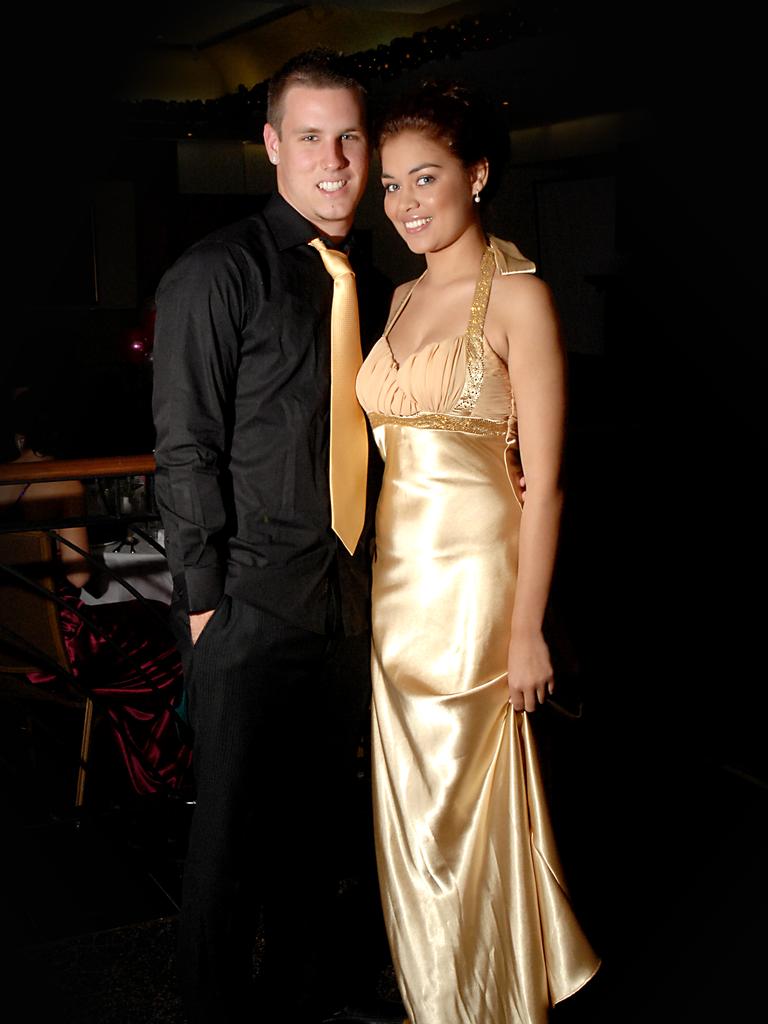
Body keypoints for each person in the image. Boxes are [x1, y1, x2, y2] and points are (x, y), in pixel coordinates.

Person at [151, 49, 396, 1024]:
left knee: (319, 839)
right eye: (309, 137)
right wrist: (204, 607)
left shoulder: (376, 282)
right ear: (270, 146)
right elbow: (185, 447)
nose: (332, 158)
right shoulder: (217, 272)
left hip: (350, 604)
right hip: (248, 608)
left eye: (348, 136)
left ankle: (299, 999)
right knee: (229, 852)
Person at [354, 81, 602, 1024]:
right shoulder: (401, 294)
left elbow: (547, 482)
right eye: (390, 185)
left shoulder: (522, 299)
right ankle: (437, 1004)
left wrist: (528, 631)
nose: (407, 201)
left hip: (476, 609)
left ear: (478, 174)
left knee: (462, 832)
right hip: (394, 604)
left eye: (427, 177)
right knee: (410, 830)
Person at [0, 386, 191, 798]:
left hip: (11, 643)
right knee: (164, 634)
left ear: (20, 436)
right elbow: (81, 578)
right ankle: (163, 777)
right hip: (60, 648)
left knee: (148, 621)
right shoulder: (61, 480)